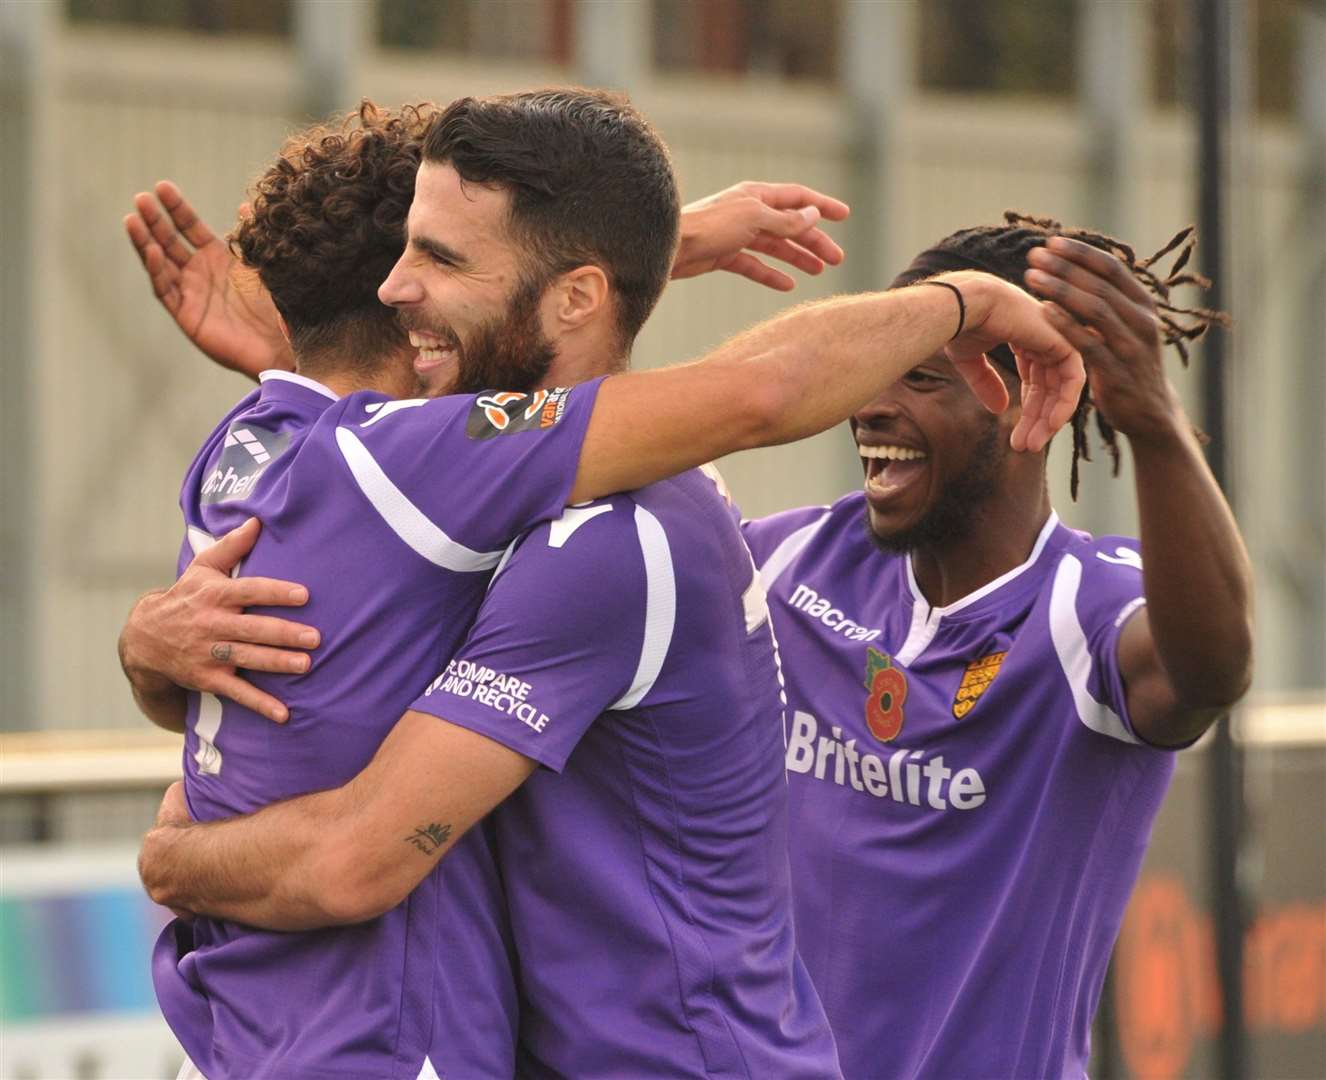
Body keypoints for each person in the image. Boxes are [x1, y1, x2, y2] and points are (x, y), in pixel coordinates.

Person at [120, 93, 1085, 1079]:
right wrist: (155, 649)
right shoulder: (491, 494)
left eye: (439, 260)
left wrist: (172, 862)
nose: (400, 290)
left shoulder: (607, 544)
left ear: (574, 295)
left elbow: (353, 859)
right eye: (402, 255)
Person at [739, 214, 1253, 1079]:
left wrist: (1157, 425)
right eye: (873, 372)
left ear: (1034, 403)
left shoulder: (1088, 611)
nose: (871, 406)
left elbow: (1210, 669)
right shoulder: (788, 563)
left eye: (923, 380)